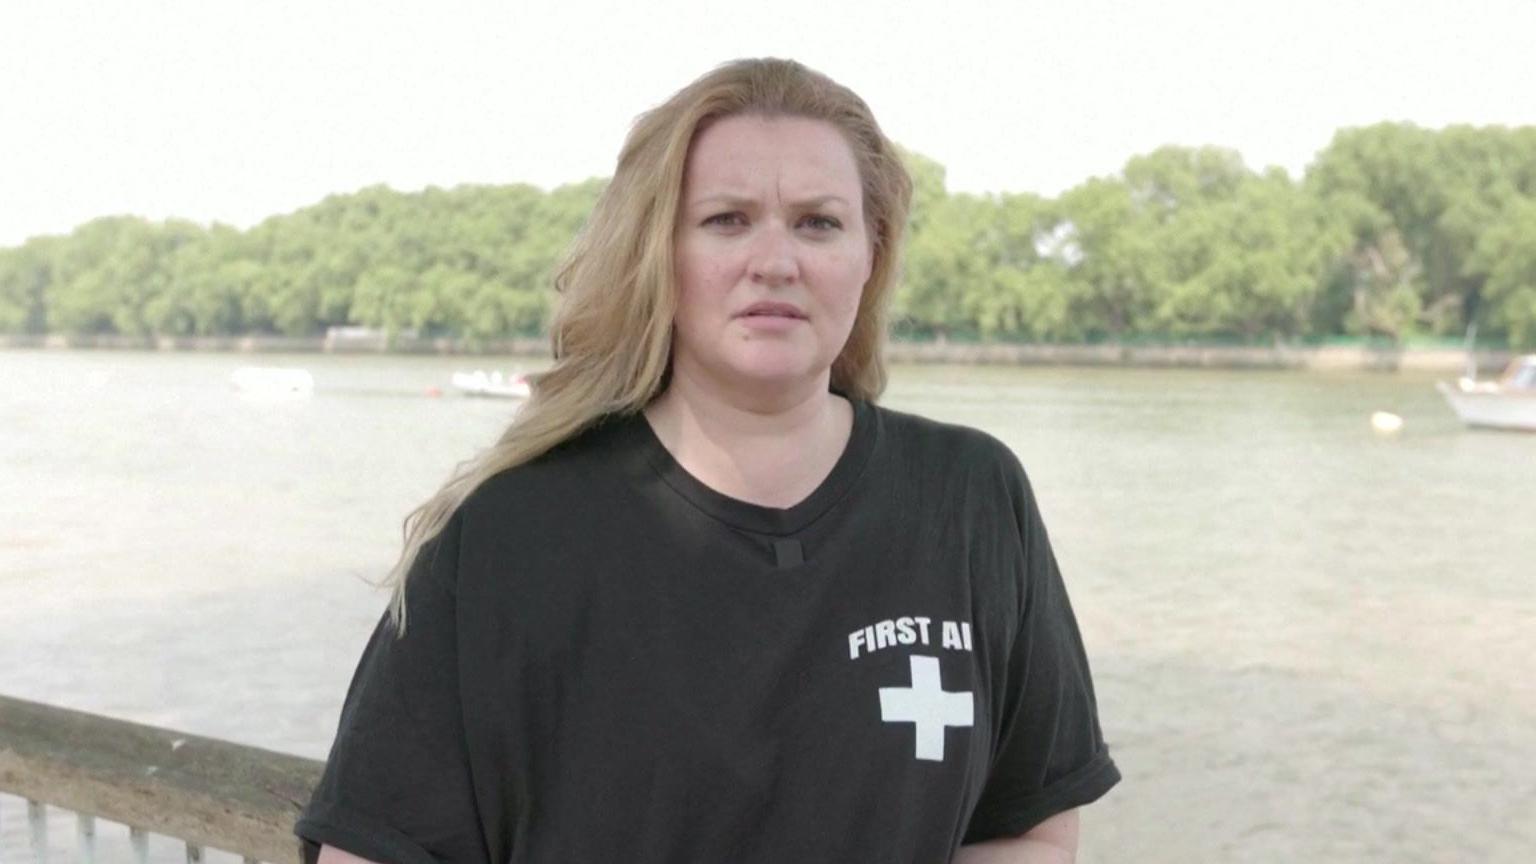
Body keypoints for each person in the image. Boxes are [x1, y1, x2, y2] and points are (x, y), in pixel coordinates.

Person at [295, 57, 1118, 864]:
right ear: (658, 252)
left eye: (818, 222)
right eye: (727, 219)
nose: (775, 260)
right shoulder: (510, 534)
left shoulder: (969, 498)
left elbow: (1029, 825)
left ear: (871, 254)